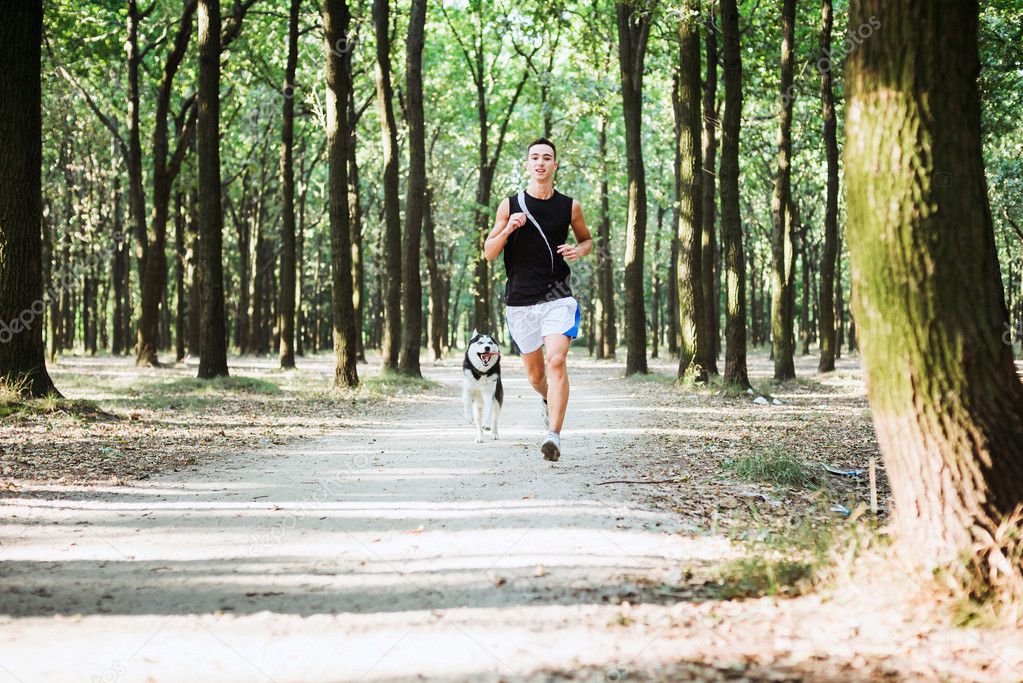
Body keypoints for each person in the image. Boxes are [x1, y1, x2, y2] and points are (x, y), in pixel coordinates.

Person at [483, 137, 593, 461]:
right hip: (520, 301)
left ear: (555, 165)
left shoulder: (569, 206)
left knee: (556, 360)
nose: (541, 162)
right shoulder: (510, 204)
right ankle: (548, 400)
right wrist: (508, 230)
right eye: (535, 157)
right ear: (528, 165)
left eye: (547, 158)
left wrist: (579, 250)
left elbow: (587, 240)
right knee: (535, 377)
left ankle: (553, 436)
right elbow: (489, 253)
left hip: (557, 295)